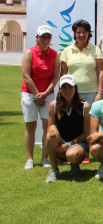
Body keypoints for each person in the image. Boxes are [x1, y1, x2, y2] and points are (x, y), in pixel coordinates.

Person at [21, 25, 60, 169]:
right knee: (30, 126)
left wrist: (45, 94)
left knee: (48, 127)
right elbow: (26, 75)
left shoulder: (55, 54)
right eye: (42, 36)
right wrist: (38, 94)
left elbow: (55, 77)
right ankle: (30, 159)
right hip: (30, 93)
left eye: (48, 36)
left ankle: (45, 158)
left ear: (51, 39)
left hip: (48, 94)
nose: (45, 39)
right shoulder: (29, 53)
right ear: (37, 38)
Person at [45, 75, 91, 183]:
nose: (67, 90)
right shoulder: (53, 105)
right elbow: (50, 125)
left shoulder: (85, 106)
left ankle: (75, 164)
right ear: (60, 90)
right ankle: (54, 170)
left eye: (70, 87)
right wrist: (51, 127)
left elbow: (86, 133)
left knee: (72, 155)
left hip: (78, 144)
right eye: (64, 87)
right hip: (61, 143)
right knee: (49, 136)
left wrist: (68, 144)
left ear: (75, 88)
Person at [60, 20, 103, 105]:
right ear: (75, 34)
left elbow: (100, 72)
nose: (81, 35)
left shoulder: (95, 49)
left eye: (84, 32)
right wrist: (62, 91)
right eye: (78, 32)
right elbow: (63, 74)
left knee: (91, 118)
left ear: (88, 33)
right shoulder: (67, 50)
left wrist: (99, 93)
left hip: (92, 93)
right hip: (71, 93)